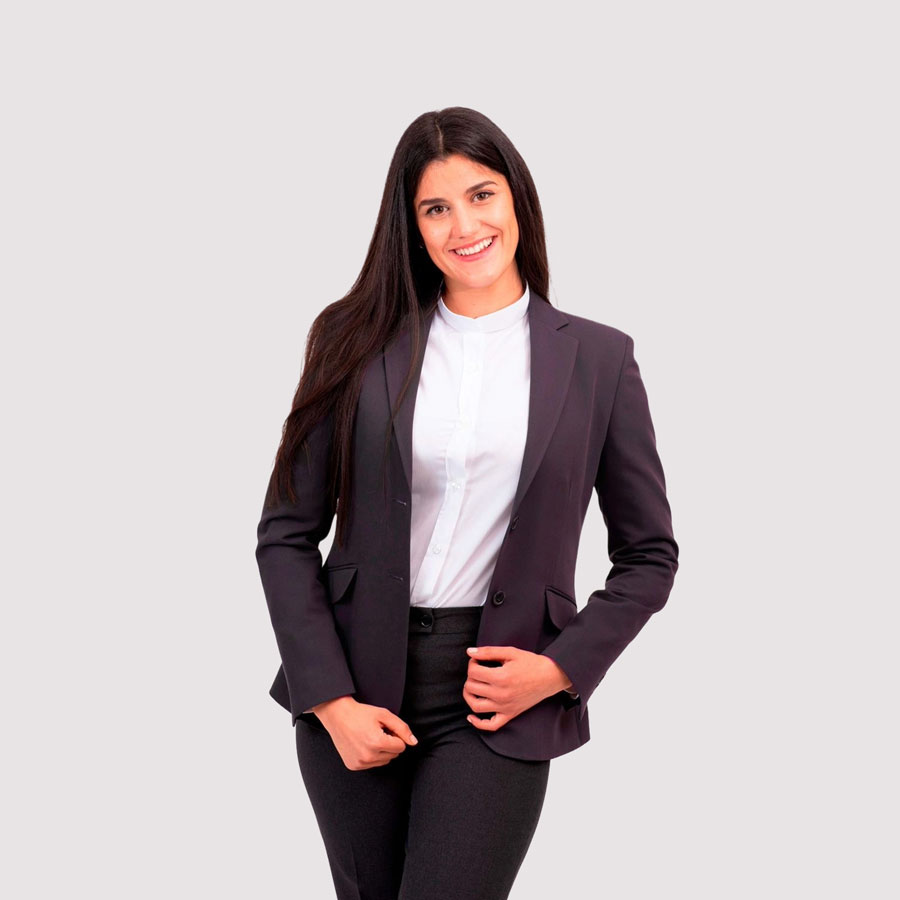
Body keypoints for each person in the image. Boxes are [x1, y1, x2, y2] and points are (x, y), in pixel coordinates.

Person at [255, 106, 679, 900]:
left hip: (495, 693)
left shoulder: (599, 358)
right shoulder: (352, 342)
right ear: (411, 227)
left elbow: (649, 556)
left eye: (482, 196)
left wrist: (560, 668)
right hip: (354, 678)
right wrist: (331, 700)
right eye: (436, 208)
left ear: (517, 198)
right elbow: (285, 535)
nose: (464, 226)